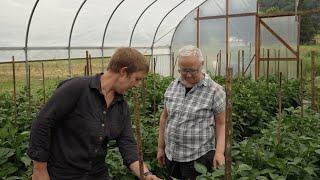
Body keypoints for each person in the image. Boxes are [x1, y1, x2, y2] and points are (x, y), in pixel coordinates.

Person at [28, 47, 160, 180]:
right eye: (137, 79)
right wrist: (39, 170)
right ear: (123, 72)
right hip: (63, 173)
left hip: (97, 174)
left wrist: (146, 174)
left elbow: (127, 143)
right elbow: (42, 123)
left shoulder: (120, 105)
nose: (137, 84)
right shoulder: (77, 88)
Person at [157, 45, 226, 180]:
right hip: (172, 155)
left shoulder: (214, 90)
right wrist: (161, 147)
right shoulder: (173, 86)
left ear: (201, 65)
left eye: (192, 70)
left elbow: (221, 124)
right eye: (183, 70)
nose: (187, 74)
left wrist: (219, 152)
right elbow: (165, 118)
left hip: (198, 157)